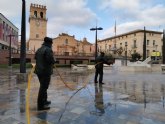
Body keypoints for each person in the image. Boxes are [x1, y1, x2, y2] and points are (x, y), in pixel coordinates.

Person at [34, 37, 56, 111]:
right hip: (45, 72)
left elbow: (35, 57)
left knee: (43, 87)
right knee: (43, 88)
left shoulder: (39, 49)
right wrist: (54, 60)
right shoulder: (48, 49)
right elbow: (51, 60)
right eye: (51, 44)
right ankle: (40, 106)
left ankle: (45, 101)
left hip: (39, 71)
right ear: (50, 43)